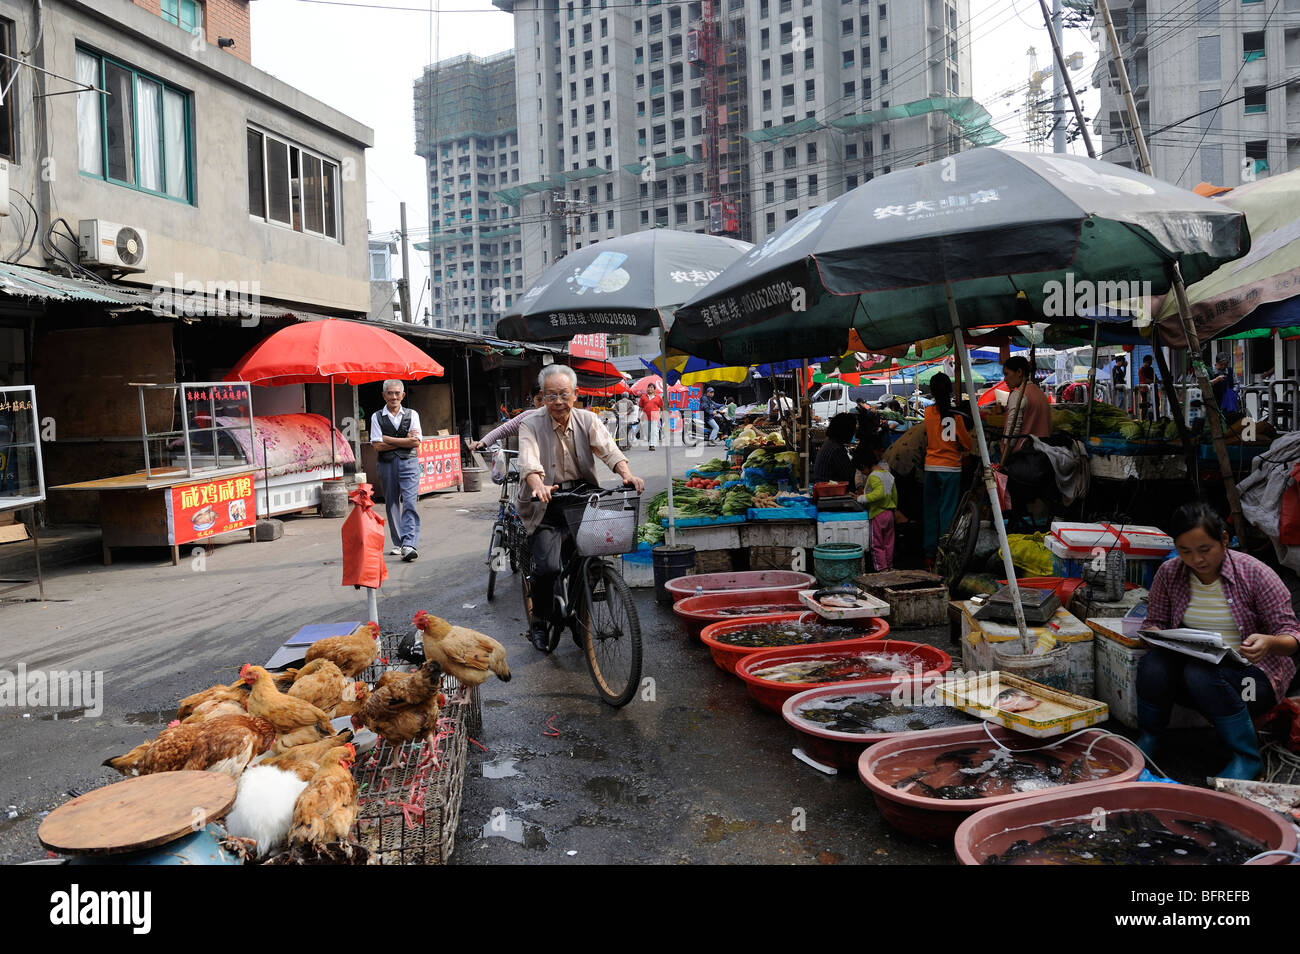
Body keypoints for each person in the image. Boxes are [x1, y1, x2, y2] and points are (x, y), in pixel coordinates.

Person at [1135, 502, 1300, 780]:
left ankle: (1246, 757)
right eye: (1185, 551)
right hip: (1193, 676)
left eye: (1205, 549)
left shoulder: (1255, 574)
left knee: (1201, 673)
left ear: (1223, 540)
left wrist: (1269, 642)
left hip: (1251, 683)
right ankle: (1151, 738)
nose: (1196, 560)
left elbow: (1293, 635)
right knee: (1153, 665)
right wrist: (1153, 634)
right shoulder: (1169, 573)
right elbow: (1155, 623)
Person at [517, 365, 645, 651]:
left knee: (589, 562)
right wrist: (536, 483)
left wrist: (626, 473)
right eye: (551, 395)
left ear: (576, 394)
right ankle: (540, 619)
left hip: (581, 498)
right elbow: (528, 457)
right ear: (542, 396)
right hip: (545, 503)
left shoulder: (588, 420)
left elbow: (608, 449)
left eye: (564, 394)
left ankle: (579, 619)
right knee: (548, 568)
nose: (558, 401)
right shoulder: (531, 423)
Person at [370, 379, 423, 562]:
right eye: (390, 393)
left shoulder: (412, 414)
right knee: (392, 502)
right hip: (386, 464)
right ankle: (398, 542)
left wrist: (387, 439)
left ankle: (409, 544)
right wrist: (404, 441)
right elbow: (377, 446)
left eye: (397, 393)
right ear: (384, 395)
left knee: (409, 502)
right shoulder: (376, 417)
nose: (394, 397)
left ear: (403, 395)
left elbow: (416, 442)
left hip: (409, 463)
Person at [923, 372, 971, 566]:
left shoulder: (928, 413)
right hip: (950, 467)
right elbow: (967, 444)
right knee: (947, 511)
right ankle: (944, 553)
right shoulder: (955, 416)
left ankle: (929, 554)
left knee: (930, 511)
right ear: (949, 390)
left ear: (932, 391)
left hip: (931, 466)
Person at [1000, 355, 1050, 459]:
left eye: (1006, 374)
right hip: (1044, 454)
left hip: (1022, 457)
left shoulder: (1018, 395)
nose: (1005, 379)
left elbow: (1012, 431)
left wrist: (1004, 458)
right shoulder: (1040, 394)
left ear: (1019, 372)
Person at [857, 448, 898, 572]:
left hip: (877, 514)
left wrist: (861, 498)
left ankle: (881, 568)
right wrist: (894, 510)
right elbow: (894, 495)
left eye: (862, 470)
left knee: (876, 544)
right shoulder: (888, 474)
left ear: (864, 466)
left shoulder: (873, 476)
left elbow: (879, 494)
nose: (863, 474)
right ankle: (889, 566)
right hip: (889, 513)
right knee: (889, 543)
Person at [812, 413, 857, 485]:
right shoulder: (836, 449)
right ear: (845, 431)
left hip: (826, 487)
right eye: (853, 430)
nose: (853, 434)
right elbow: (849, 475)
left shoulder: (830, 443)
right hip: (829, 490)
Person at [638, 382, 663, 451]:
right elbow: (640, 407)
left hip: (655, 416)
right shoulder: (643, 397)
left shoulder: (658, 397)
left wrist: (660, 415)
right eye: (649, 387)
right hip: (645, 416)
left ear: (654, 389)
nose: (650, 388)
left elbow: (662, 407)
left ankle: (652, 445)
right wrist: (638, 416)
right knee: (647, 431)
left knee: (654, 431)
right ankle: (650, 443)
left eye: (651, 387)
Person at [1138, 354, 1157, 421]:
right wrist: (1154, 381)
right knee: (1145, 406)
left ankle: (1155, 418)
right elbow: (1144, 380)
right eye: (1150, 362)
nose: (1151, 363)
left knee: (1156, 404)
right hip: (1144, 390)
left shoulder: (1151, 369)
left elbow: (1155, 378)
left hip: (1153, 390)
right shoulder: (1141, 370)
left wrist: (1157, 381)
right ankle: (1144, 419)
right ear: (1146, 362)